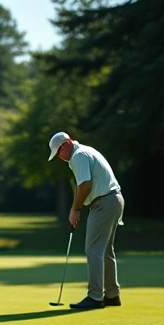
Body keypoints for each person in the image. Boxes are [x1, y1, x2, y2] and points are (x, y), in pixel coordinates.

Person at [47, 131, 125, 310]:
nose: (59, 157)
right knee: (105, 250)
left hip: (104, 202)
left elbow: (84, 185)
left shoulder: (78, 155)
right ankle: (112, 295)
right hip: (114, 199)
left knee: (94, 249)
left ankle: (95, 297)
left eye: (59, 152)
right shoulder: (86, 151)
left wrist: (75, 210)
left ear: (66, 144)